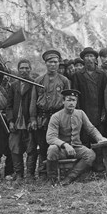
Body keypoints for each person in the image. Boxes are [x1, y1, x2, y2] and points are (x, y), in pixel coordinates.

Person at [46, 89, 107, 185]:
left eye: (74, 100)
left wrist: (100, 138)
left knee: (90, 155)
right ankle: (52, 179)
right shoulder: (56, 116)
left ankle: (70, 178)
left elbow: (91, 129)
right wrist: (65, 145)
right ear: (63, 101)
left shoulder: (80, 113)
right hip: (61, 150)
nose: (71, 103)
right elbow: (50, 137)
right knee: (52, 149)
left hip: (76, 148)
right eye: (69, 100)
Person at [30, 49, 71, 179]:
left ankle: (58, 172)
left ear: (59, 64)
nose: (53, 65)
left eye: (55, 62)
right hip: (43, 118)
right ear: (46, 64)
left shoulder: (64, 81)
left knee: (59, 144)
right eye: (50, 62)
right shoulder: (39, 80)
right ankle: (43, 173)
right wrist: (33, 118)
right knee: (42, 145)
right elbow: (33, 101)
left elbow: (69, 100)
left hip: (59, 116)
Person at [71, 47, 107, 172]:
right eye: (86, 56)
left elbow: (106, 94)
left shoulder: (102, 74)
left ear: (95, 58)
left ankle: (99, 164)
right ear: (83, 59)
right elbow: (75, 96)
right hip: (84, 111)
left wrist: (104, 111)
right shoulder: (77, 75)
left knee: (99, 138)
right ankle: (86, 165)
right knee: (84, 139)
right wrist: (78, 113)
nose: (89, 59)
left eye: (92, 56)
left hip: (98, 112)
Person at [6, 59, 37, 180]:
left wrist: (32, 120)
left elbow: (36, 104)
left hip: (28, 122)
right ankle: (19, 174)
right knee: (15, 149)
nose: (24, 71)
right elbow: (8, 105)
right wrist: (10, 121)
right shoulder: (13, 86)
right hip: (16, 122)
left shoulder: (34, 84)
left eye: (26, 68)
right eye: (21, 68)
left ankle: (30, 174)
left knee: (31, 149)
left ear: (30, 69)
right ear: (18, 70)